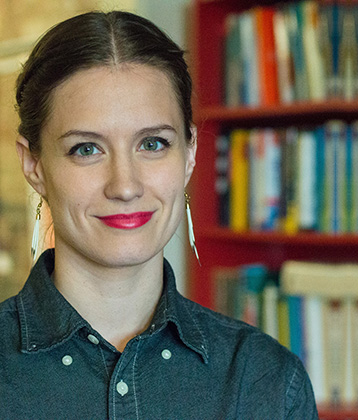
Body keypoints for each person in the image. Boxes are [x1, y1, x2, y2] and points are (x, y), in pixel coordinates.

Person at [0, 10, 318, 419]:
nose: (125, 186)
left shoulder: (265, 382)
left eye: (152, 144)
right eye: (86, 149)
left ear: (190, 153)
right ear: (35, 166)